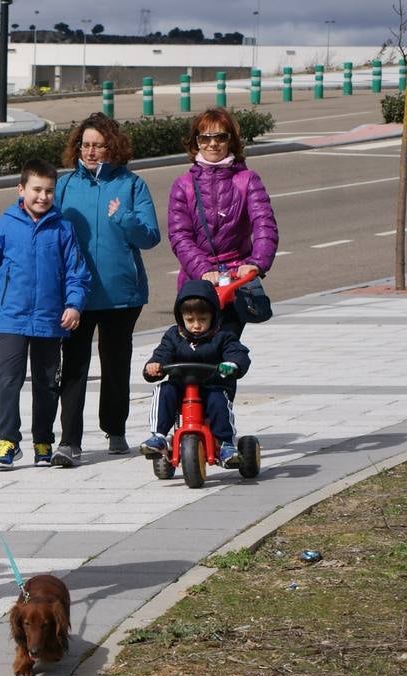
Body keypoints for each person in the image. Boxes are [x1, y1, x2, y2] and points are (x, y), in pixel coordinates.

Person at [54, 112, 161, 467]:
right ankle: (69, 441)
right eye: (85, 145)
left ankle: (115, 429)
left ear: (112, 147)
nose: (90, 152)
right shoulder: (66, 186)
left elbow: (150, 237)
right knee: (73, 365)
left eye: (98, 145)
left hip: (120, 295)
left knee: (116, 364)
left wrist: (124, 218)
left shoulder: (132, 185)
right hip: (77, 295)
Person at [0, 158, 90, 469]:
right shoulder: (2, 226)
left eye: (49, 191)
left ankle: (43, 440)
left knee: (46, 382)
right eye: (36, 189)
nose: (43, 197)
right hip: (10, 317)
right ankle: (9, 441)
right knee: (8, 379)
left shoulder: (63, 228)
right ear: (21, 189)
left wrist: (73, 304)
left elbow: (76, 273)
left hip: (50, 320)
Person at [167, 106, 279, 339]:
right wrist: (203, 270)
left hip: (236, 280)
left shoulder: (247, 180)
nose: (213, 143)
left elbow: (264, 225)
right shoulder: (183, 184)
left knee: (226, 349)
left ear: (231, 141)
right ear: (196, 142)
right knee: (195, 351)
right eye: (205, 137)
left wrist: (256, 263)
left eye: (220, 137)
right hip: (196, 283)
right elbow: (179, 236)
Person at [138, 280, 251, 469]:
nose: (196, 325)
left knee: (218, 400)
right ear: (181, 317)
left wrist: (232, 365)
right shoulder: (174, 336)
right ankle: (158, 436)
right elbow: (162, 353)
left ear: (213, 316)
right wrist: (154, 366)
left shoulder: (222, 336)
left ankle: (226, 444)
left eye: (202, 319)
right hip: (181, 389)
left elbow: (237, 353)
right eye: (190, 320)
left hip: (212, 387)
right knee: (163, 389)